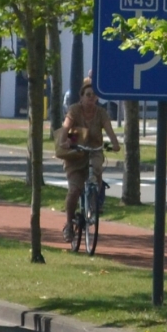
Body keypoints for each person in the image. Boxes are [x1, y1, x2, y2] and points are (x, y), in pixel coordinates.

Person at [56, 79, 121, 236]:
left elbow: (109, 130)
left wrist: (115, 144)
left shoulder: (101, 113)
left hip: (94, 151)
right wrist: (63, 141)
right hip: (75, 153)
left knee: (96, 168)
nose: (91, 98)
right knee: (74, 190)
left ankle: (95, 201)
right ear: (81, 97)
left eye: (94, 95)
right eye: (88, 95)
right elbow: (66, 127)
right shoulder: (74, 110)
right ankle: (69, 224)